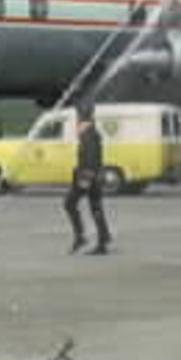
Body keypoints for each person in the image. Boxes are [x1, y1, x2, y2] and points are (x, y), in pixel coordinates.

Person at [64, 106, 113, 255]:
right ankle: (103, 238)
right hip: (95, 177)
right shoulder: (92, 134)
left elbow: (90, 159)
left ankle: (80, 236)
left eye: (78, 119)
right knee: (96, 207)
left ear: (82, 120)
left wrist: (84, 179)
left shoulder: (88, 135)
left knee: (69, 203)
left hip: (87, 177)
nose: (76, 123)